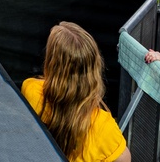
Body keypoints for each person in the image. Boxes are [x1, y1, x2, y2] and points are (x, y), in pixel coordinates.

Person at [22, 22, 130, 162]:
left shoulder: (30, 90)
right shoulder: (104, 127)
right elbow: (125, 159)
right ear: (95, 69)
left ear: (51, 63)